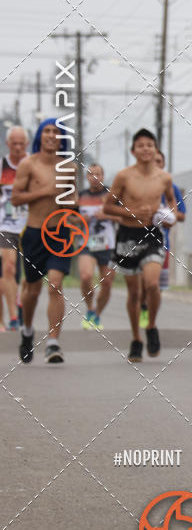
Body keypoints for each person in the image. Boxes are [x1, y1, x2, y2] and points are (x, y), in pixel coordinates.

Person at [103, 129, 176, 362]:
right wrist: (131, 211)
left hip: (152, 235)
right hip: (127, 236)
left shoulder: (164, 178)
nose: (146, 149)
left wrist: (168, 216)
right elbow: (108, 207)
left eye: (150, 145)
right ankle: (136, 338)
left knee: (152, 285)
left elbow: (173, 204)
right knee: (134, 292)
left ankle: (151, 325)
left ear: (155, 149)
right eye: (141, 145)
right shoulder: (124, 176)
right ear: (133, 150)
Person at [11, 119, 76, 364]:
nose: (51, 135)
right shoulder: (28, 164)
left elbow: (73, 200)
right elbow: (16, 198)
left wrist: (72, 204)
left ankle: (53, 343)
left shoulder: (69, 167)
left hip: (60, 233)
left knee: (55, 285)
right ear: (40, 136)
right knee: (32, 290)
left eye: (56, 132)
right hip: (33, 234)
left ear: (62, 138)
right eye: (47, 131)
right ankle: (27, 331)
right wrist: (46, 191)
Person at [139, 150, 186, 329]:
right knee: (143, 282)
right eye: (154, 160)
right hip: (138, 238)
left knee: (154, 284)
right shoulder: (138, 184)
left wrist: (167, 215)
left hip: (161, 242)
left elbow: (181, 215)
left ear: (163, 164)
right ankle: (143, 306)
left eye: (159, 161)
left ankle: (150, 318)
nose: (156, 164)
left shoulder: (171, 188)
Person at [78, 164, 116, 330]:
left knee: (106, 283)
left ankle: (98, 314)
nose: (95, 177)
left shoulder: (111, 195)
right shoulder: (80, 196)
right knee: (86, 276)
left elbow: (124, 215)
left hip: (108, 244)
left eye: (98, 174)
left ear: (103, 176)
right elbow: (69, 218)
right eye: (92, 174)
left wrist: (107, 215)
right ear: (87, 177)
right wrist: (80, 219)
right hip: (87, 242)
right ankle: (90, 309)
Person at [0, 126, 29, 331]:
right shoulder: (2, 165)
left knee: (30, 273)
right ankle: (12, 316)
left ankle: (18, 299)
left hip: (31, 225)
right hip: (6, 225)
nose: (18, 147)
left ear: (26, 144)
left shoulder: (33, 164)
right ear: (8, 144)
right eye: (14, 143)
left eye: (21, 144)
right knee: (8, 267)